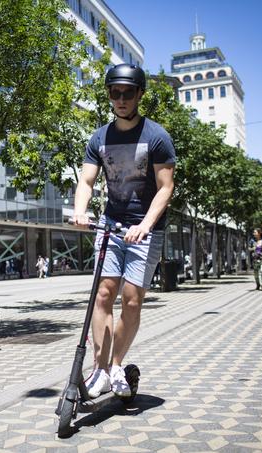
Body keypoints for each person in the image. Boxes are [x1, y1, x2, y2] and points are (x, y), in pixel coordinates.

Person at [73, 64, 175, 398]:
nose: (120, 98)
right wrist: (80, 210)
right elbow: (86, 181)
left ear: (139, 94)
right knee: (103, 294)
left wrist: (145, 225)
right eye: (114, 92)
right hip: (110, 225)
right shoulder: (99, 137)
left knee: (131, 301)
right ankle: (99, 371)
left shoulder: (156, 137)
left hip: (146, 230)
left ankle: (116, 364)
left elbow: (165, 187)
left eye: (127, 92)